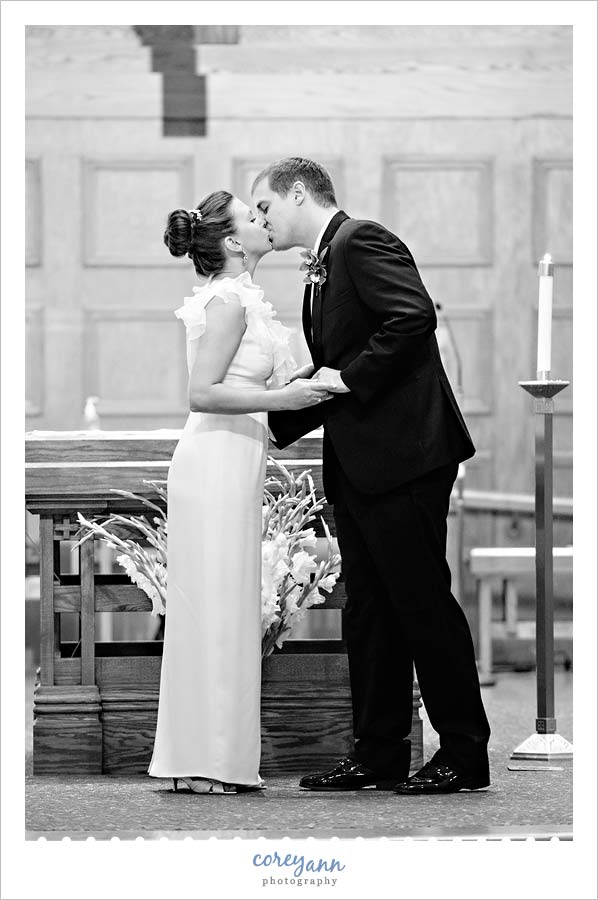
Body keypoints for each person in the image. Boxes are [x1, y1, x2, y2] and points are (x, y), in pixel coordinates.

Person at [252, 158, 491, 795]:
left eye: (265, 209)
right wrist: (276, 417)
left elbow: (411, 319)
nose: (260, 222)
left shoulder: (362, 240)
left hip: (406, 459)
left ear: (298, 193)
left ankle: (464, 754)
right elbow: (339, 366)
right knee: (369, 614)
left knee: (421, 605)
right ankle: (377, 753)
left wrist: (344, 377)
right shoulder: (324, 263)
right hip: (360, 462)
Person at [148, 190, 333, 794]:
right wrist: (286, 399)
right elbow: (202, 392)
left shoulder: (242, 298)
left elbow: (254, 381)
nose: (263, 221)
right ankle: (204, 761)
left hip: (235, 458)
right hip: (214, 462)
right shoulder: (227, 300)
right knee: (216, 611)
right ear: (231, 242)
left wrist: (314, 380)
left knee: (225, 609)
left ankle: (203, 759)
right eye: (252, 219)